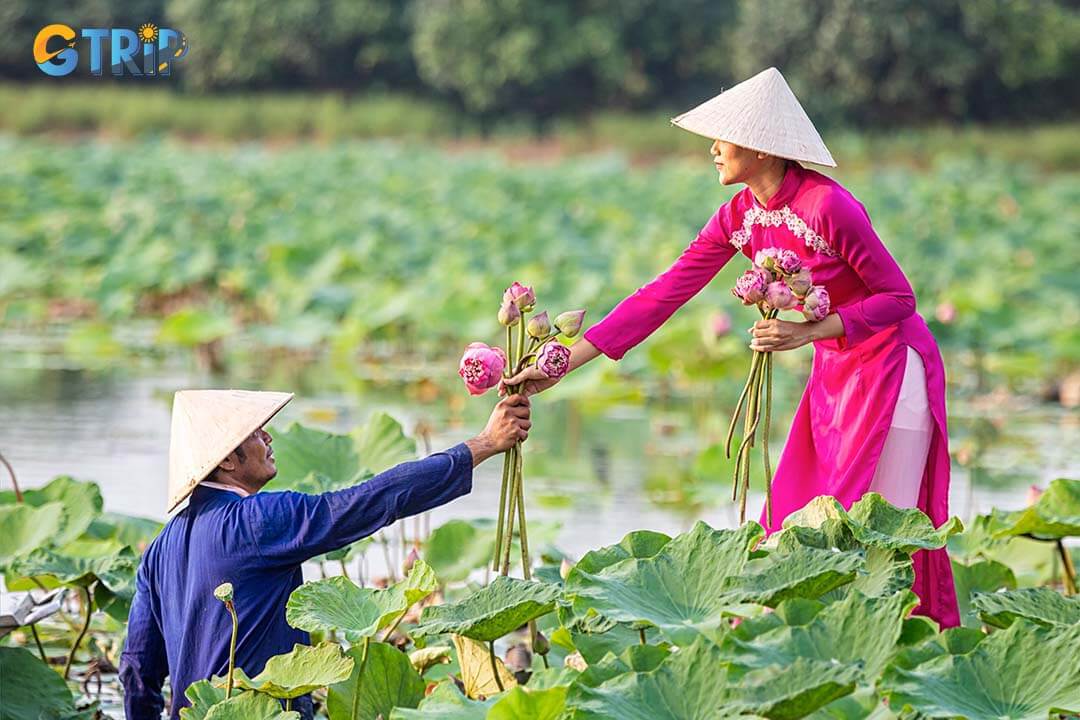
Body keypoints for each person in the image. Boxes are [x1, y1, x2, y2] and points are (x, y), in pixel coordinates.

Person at [504, 67, 960, 628]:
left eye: (725, 137)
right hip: (836, 380)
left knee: (881, 538)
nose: (714, 150)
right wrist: (564, 363)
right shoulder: (741, 215)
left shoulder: (828, 207)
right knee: (808, 528)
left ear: (765, 149)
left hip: (893, 375)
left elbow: (900, 299)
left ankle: (905, 668)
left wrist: (807, 332)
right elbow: (664, 293)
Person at [120, 388, 531, 719]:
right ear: (227, 458)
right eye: (257, 433)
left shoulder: (158, 549)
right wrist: (483, 445)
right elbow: (371, 500)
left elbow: (138, 670)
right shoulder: (258, 520)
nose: (269, 438)